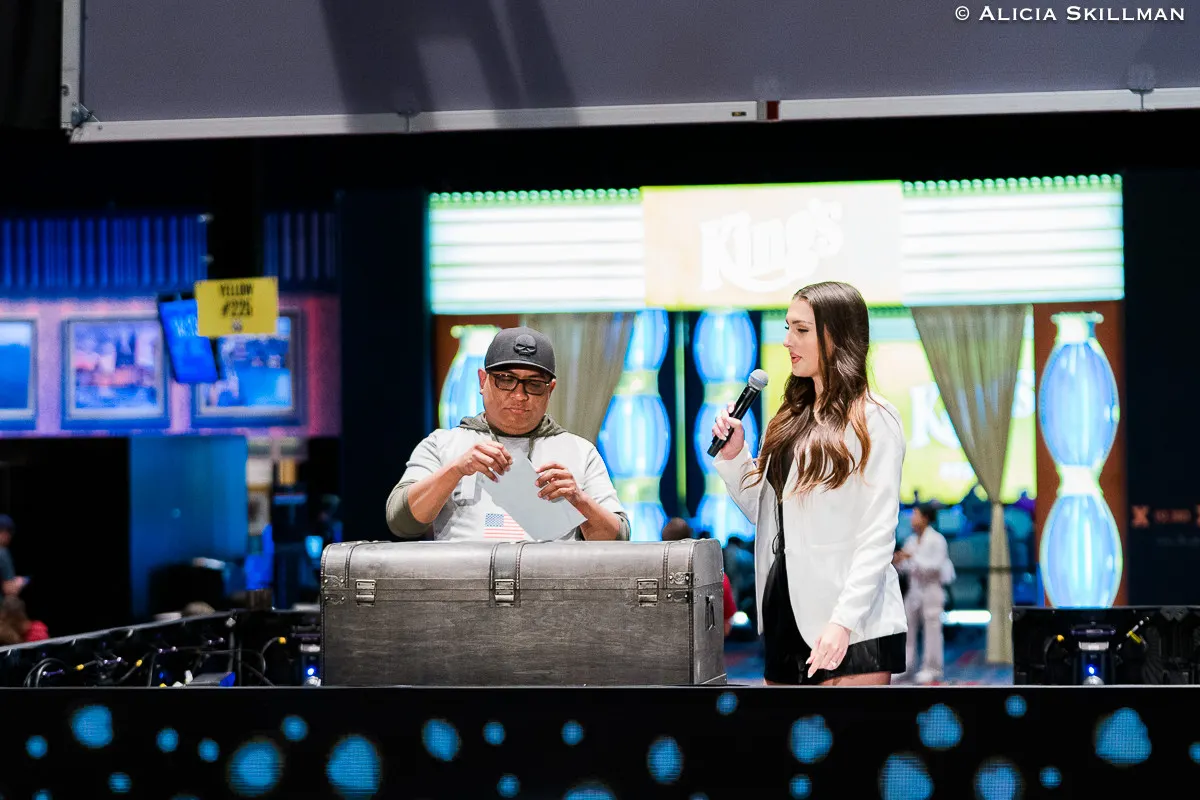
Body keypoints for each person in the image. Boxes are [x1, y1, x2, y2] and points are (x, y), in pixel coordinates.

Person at [711, 281, 907, 686]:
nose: (787, 341)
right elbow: (767, 514)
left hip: (852, 617)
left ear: (837, 337)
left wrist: (843, 621)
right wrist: (734, 457)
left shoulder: (875, 419)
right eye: (788, 328)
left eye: (801, 330)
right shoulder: (789, 418)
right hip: (785, 606)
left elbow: (878, 533)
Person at [387, 326, 630, 542]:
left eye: (534, 384)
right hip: (467, 579)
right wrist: (456, 470)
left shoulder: (580, 451)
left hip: (550, 580)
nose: (519, 395)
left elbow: (617, 539)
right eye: (505, 380)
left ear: (550, 389)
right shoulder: (443, 445)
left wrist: (579, 500)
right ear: (482, 381)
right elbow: (402, 523)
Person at [893, 502, 955, 683]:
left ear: (926, 518)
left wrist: (912, 557)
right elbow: (906, 568)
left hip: (931, 590)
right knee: (907, 629)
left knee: (932, 630)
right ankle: (906, 665)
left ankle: (932, 668)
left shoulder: (937, 540)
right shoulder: (911, 540)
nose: (912, 519)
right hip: (914, 590)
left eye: (915, 515)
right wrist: (900, 560)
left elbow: (935, 566)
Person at [660, 518, 736, 636]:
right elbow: (726, 627)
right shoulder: (717, 577)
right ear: (691, 538)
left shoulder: (652, 577)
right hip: (707, 645)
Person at [0, 515, 27, 598]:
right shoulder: (2, 553)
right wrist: (22, 581)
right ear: (5, 533)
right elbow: (10, 590)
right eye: (10, 532)